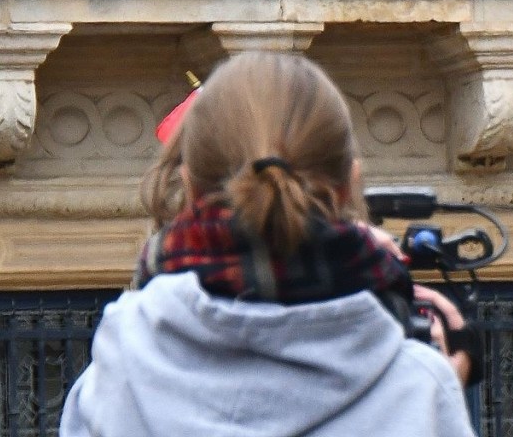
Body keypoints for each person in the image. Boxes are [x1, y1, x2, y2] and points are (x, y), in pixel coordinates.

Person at [59, 52, 477, 437]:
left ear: (187, 185)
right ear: (350, 185)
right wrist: (430, 400)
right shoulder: (417, 385)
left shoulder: (111, 384)